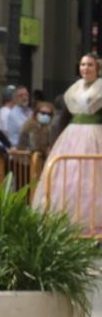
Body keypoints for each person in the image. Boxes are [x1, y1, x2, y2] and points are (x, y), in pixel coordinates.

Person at [35, 53, 102, 236]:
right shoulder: (73, 91)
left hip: (96, 138)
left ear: (97, 69)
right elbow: (62, 119)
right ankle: (67, 222)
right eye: (83, 65)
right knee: (68, 180)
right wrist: (54, 142)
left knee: (93, 181)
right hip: (71, 139)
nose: (86, 68)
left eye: (89, 65)